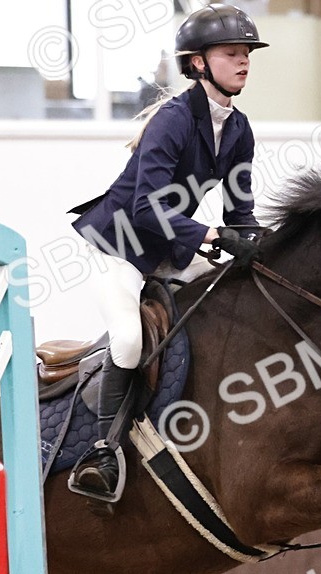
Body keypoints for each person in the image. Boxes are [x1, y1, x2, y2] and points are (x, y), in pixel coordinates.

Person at [67, 2, 268, 502]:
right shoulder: (174, 120)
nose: (244, 61)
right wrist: (210, 236)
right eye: (231, 53)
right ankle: (102, 451)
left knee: (230, 306)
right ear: (199, 63)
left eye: (247, 53)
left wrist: (260, 246)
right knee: (131, 341)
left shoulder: (238, 129)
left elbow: (240, 211)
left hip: (172, 245)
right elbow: (144, 207)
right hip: (123, 245)